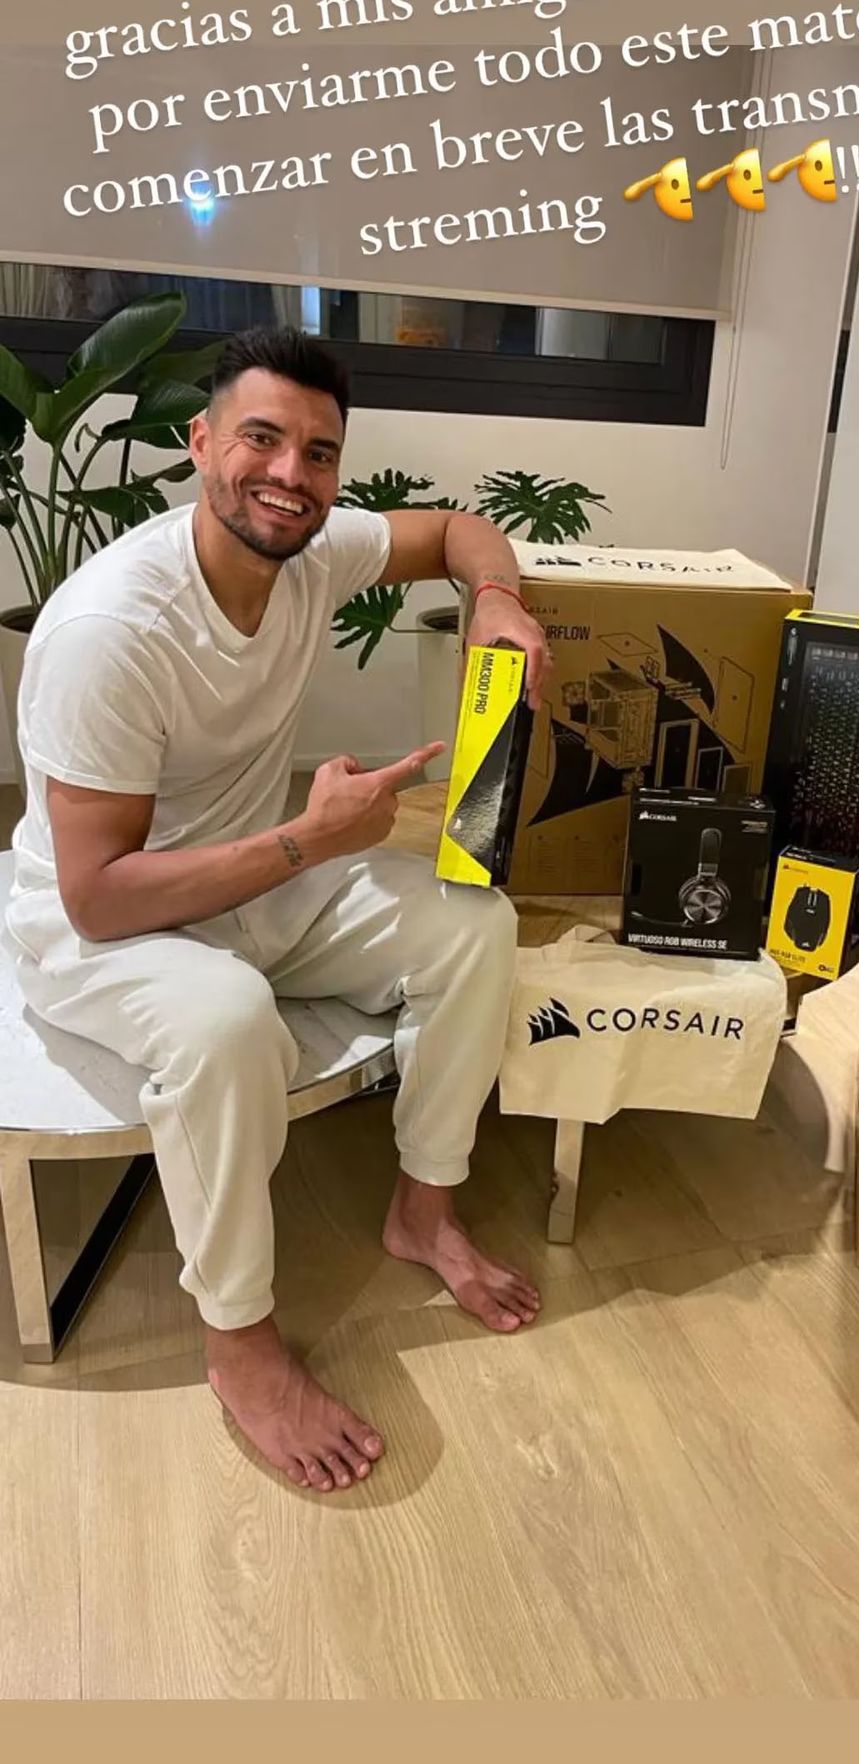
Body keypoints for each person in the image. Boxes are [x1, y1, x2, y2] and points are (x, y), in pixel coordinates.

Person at [4, 326, 552, 1496]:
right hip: (97, 924)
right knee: (225, 1020)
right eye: (261, 438)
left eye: (319, 451)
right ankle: (239, 1339)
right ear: (202, 443)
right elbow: (99, 894)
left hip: (257, 879)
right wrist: (311, 836)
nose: (290, 474)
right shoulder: (113, 630)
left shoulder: (311, 548)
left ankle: (424, 1212)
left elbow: (455, 529)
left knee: (474, 925)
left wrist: (499, 599)